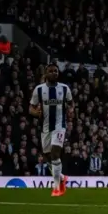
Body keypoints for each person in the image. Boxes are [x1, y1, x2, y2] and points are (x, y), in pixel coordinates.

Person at [28, 64, 73, 197]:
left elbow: (71, 103)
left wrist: (70, 111)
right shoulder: (39, 89)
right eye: (51, 71)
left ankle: (57, 187)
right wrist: (36, 113)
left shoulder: (64, 88)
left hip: (60, 126)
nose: (54, 73)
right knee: (48, 157)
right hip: (45, 128)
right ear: (46, 73)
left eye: (56, 71)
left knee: (55, 153)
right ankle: (62, 177)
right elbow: (31, 108)